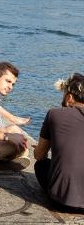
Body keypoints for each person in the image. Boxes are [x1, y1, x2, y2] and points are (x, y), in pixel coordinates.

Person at [34, 73, 84, 211]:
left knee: (41, 165)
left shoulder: (54, 114)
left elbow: (38, 155)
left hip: (62, 202)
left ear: (69, 97)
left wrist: (43, 149)